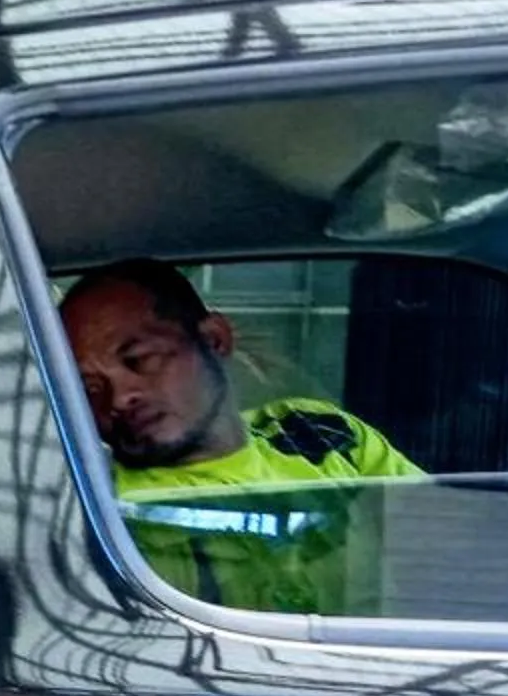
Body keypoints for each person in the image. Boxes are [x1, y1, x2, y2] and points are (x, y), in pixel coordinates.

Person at [58, 260, 421, 615]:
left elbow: (439, 549)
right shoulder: (93, 506)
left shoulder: (319, 434)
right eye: (90, 388)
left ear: (214, 339)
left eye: (139, 360)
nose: (120, 398)